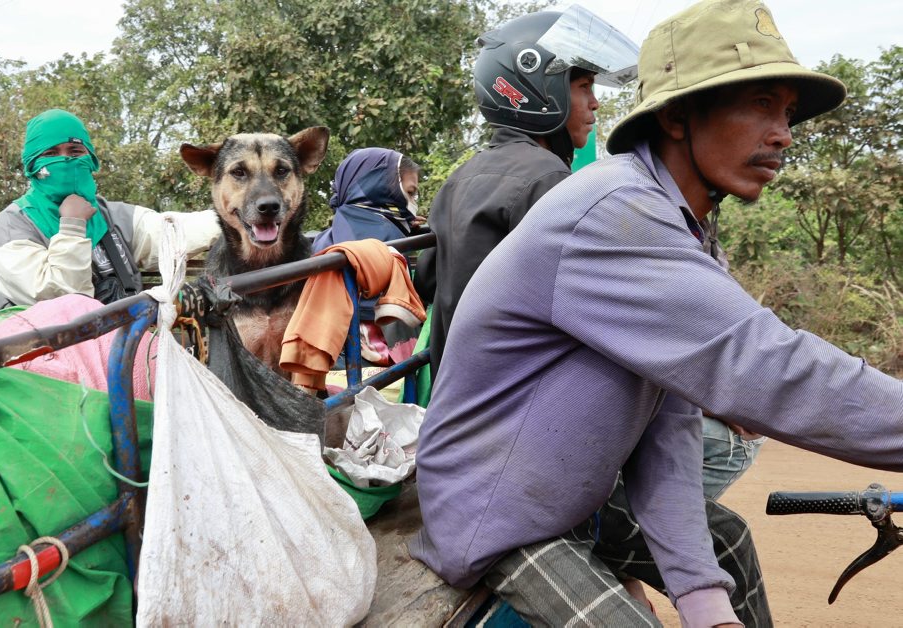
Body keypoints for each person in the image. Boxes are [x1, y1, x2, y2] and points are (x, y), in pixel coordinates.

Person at [410, 1, 903, 626]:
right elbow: (765, 363)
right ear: (676, 116)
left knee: (726, 546)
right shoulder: (617, 210)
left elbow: (669, 424)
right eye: (760, 104)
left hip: (566, 489)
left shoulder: (681, 224)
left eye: (787, 112)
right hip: (497, 510)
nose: (783, 133)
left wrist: (704, 601)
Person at [413, 6, 638, 381]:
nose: (595, 103)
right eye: (584, 87)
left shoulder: (459, 177)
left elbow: (426, 281)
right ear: (541, 91)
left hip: (457, 381)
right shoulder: (548, 178)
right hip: (517, 386)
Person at [0, 109, 220, 309]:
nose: (65, 160)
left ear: (91, 160)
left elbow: (172, 232)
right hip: (46, 345)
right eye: (50, 154)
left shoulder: (110, 215)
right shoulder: (14, 224)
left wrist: (231, 217)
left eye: (75, 151)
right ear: (32, 166)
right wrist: (72, 225)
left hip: (119, 337)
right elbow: (60, 300)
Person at [312, 147, 423, 364]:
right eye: (410, 193)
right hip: (383, 359)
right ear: (382, 190)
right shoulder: (390, 236)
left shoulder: (327, 236)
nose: (413, 202)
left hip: (331, 354)